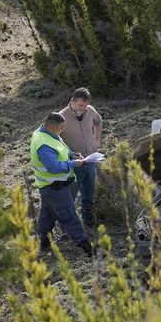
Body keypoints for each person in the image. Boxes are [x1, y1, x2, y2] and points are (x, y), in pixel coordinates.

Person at [30, 112, 93, 256]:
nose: (63, 129)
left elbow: (59, 149)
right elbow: (53, 167)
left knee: (46, 216)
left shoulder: (46, 134)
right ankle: (87, 248)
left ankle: (43, 244)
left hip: (49, 188)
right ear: (52, 126)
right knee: (69, 216)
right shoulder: (43, 144)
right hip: (55, 187)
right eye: (61, 127)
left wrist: (72, 154)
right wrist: (73, 164)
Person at [59, 87, 103, 227]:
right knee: (69, 197)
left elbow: (98, 121)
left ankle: (89, 222)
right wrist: (67, 156)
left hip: (90, 160)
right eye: (80, 105)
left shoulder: (90, 110)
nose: (83, 108)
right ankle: (67, 226)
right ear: (72, 101)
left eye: (85, 105)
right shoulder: (61, 117)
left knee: (89, 194)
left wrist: (97, 140)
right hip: (73, 165)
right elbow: (54, 140)